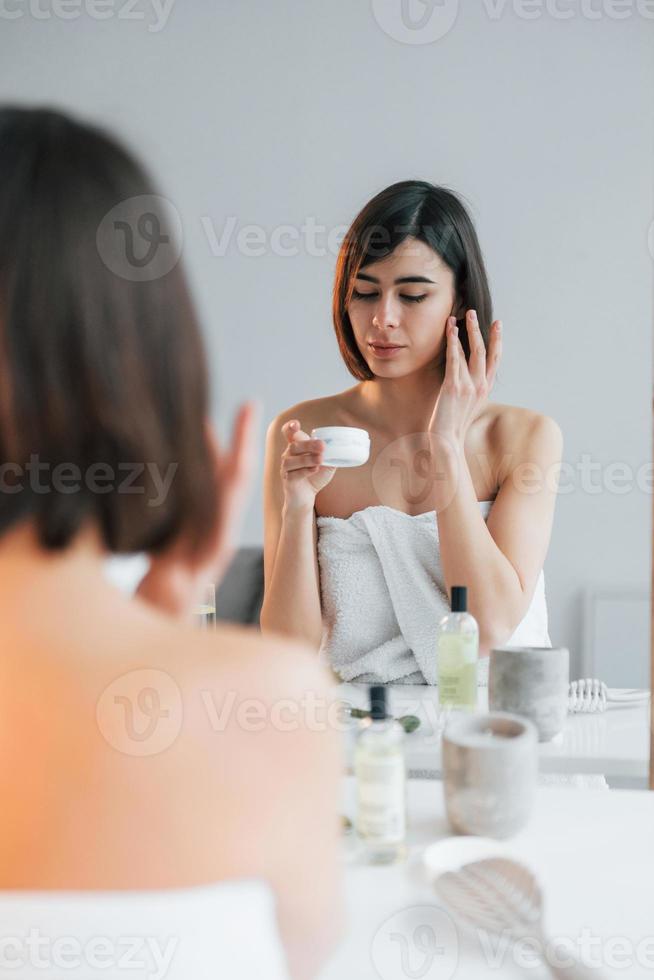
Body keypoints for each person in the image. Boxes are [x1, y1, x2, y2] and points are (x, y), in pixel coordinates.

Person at [0, 106, 342, 980]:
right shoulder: (271, 706)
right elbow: (302, 960)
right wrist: (160, 618)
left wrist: (150, 612)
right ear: (146, 364)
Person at [262, 181, 562, 685]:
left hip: (491, 734)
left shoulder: (523, 438)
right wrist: (297, 508)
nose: (383, 318)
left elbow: (488, 632)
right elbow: (287, 652)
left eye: (413, 294)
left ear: (458, 297)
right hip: (364, 740)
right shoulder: (307, 432)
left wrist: (445, 447)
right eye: (364, 293)